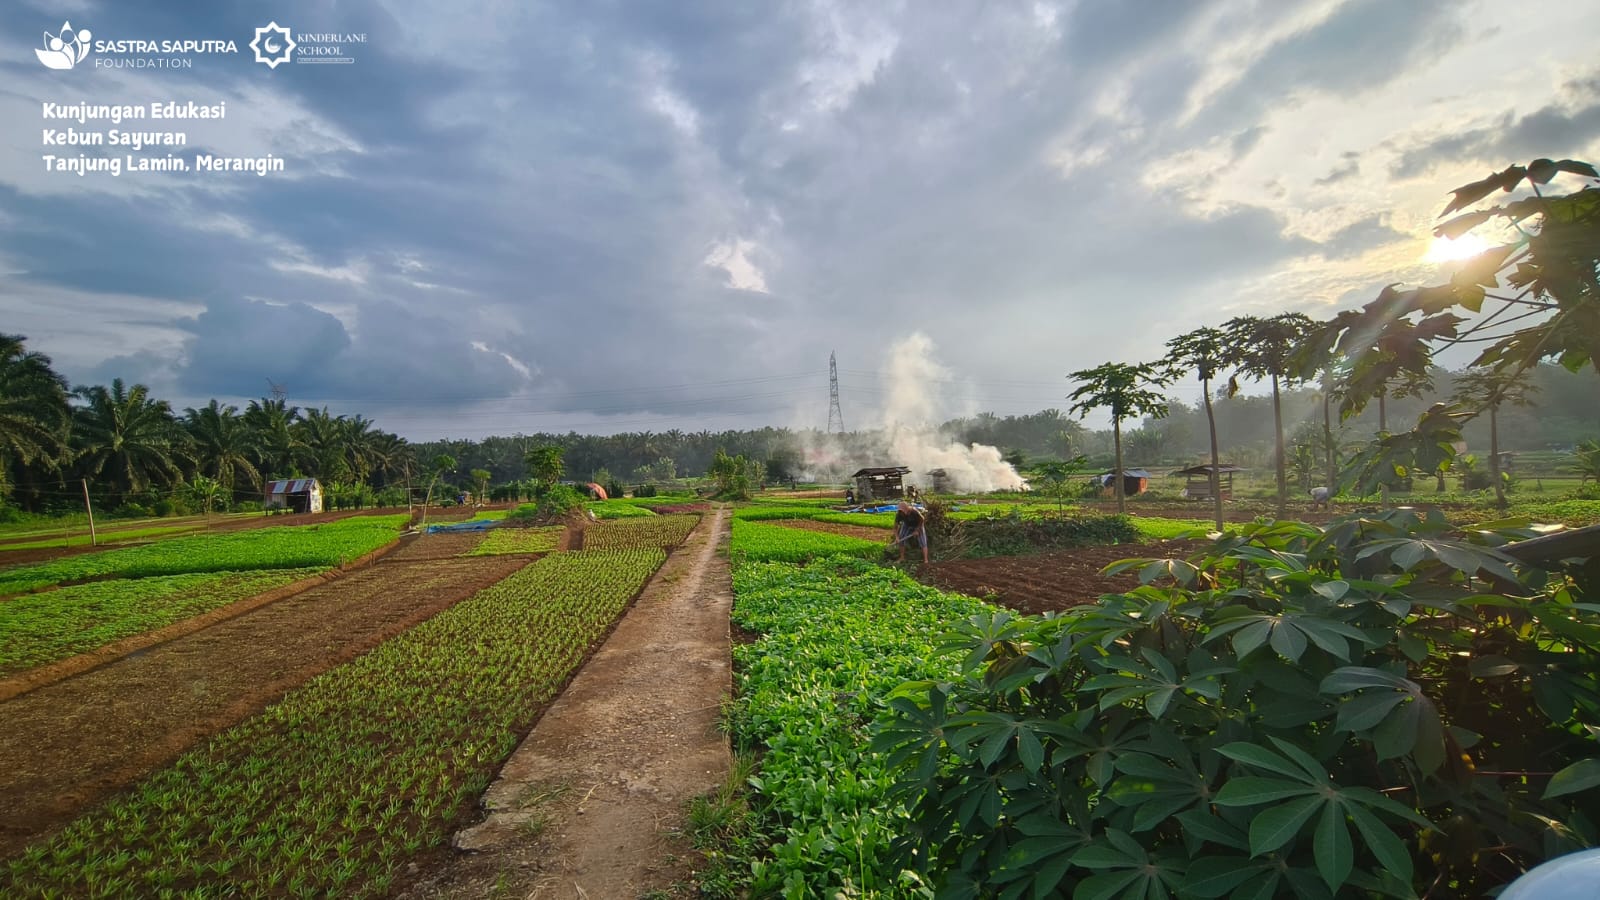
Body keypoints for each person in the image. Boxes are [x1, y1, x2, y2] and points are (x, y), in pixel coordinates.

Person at [893, 499, 929, 565]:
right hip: (907, 525)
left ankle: (926, 560)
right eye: (901, 511)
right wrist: (897, 537)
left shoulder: (914, 511)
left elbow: (922, 519)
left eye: (903, 511)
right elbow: (895, 527)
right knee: (901, 540)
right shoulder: (899, 515)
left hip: (917, 525)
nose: (902, 513)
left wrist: (917, 530)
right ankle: (902, 558)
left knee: (923, 542)